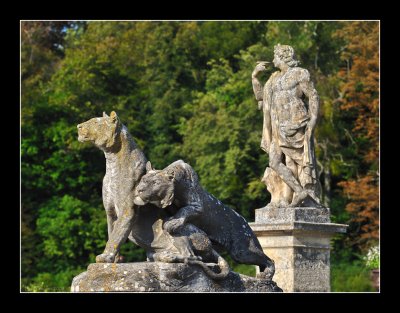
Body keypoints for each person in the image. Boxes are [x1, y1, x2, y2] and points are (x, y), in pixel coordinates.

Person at [252, 44, 321, 207]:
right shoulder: (274, 78)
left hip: (295, 124)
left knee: (300, 162)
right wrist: (254, 77)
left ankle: (304, 193)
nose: (273, 59)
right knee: (274, 162)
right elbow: (262, 97)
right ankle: (299, 191)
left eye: (275, 55)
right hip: (277, 127)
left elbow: (312, 96)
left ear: (283, 57)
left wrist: (313, 119)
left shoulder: (299, 73)